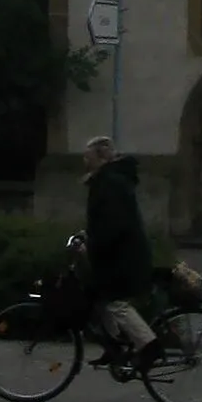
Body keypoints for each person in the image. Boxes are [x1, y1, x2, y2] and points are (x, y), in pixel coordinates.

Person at [80, 135, 159, 369]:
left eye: (88, 156)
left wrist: (92, 242)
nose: (84, 160)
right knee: (98, 299)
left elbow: (113, 224)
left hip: (124, 257)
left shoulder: (110, 182)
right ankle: (114, 347)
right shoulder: (108, 179)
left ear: (101, 157)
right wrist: (88, 235)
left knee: (115, 302)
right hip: (119, 254)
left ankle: (149, 346)